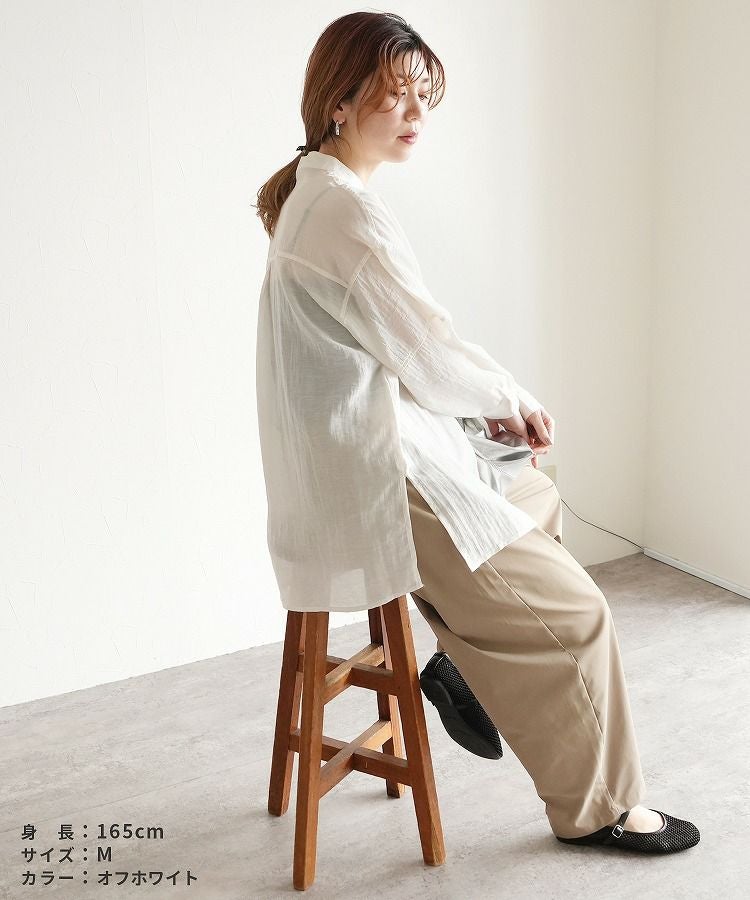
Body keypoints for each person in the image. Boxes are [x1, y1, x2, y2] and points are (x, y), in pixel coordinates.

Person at [254, 11, 699, 854]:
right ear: (339, 102)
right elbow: (428, 350)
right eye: (396, 95)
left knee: (531, 489)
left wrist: (492, 410)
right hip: (381, 475)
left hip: (364, 452)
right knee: (581, 615)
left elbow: (412, 346)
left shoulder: (322, 195)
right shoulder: (344, 215)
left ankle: (463, 662)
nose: (416, 114)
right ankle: (599, 810)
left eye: (424, 95)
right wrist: (509, 399)